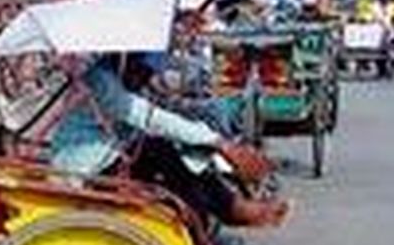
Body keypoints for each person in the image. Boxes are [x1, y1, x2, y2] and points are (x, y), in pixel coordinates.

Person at [50, 55, 289, 228]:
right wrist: (219, 143)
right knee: (159, 148)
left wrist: (205, 138)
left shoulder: (120, 76)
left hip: (108, 155)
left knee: (171, 147)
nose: (146, 78)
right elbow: (146, 116)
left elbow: (155, 111)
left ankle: (225, 206)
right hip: (85, 169)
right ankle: (225, 210)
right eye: (143, 71)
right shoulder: (102, 80)